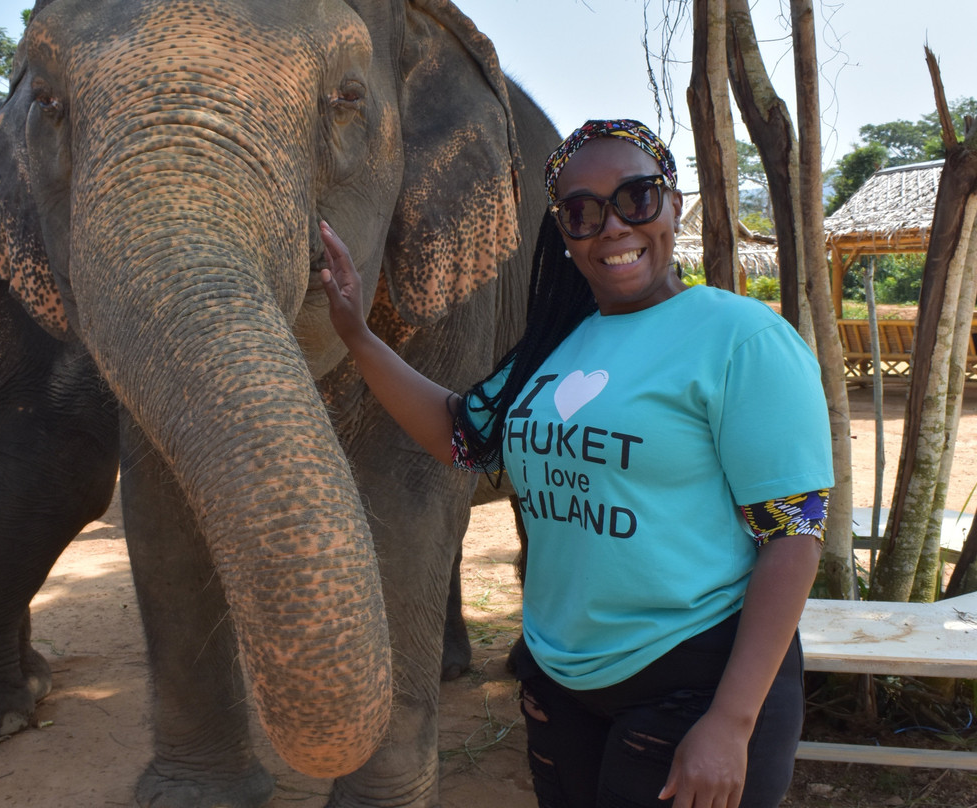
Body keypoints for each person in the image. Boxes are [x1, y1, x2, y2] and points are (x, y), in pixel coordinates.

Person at [320, 118, 834, 808]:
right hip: (561, 684)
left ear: (673, 204)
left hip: (695, 684)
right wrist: (356, 334)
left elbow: (792, 534)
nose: (614, 226)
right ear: (563, 232)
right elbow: (461, 435)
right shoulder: (557, 347)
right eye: (583, 212)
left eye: (637, 198)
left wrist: (731, 722)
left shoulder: (741, 337)